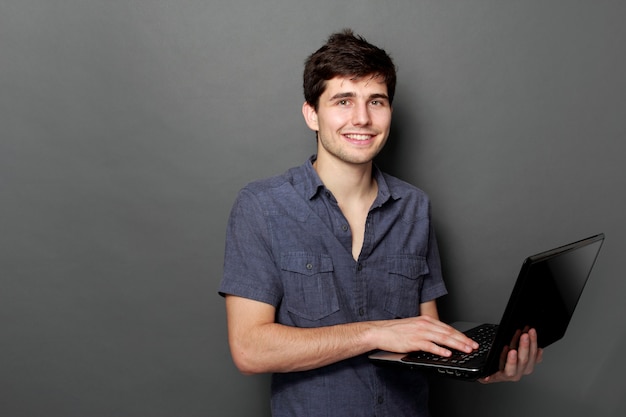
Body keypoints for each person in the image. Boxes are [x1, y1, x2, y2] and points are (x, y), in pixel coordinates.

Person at [219, 29, 542, 416]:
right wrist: (377, 331)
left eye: (377, 101)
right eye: (343, 101)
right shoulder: (262, 206)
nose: (363, 118)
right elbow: (250, 349)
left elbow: (426, 339)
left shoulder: (414, 207)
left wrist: (485, 366)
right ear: (312, 114)